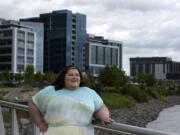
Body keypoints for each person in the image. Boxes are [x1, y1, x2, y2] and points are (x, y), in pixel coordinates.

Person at [29, 65, 114, 135]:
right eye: (71, 75)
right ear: (63, 77)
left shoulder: (89, 92)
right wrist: (40, 123)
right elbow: (33, 103)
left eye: (77, 75)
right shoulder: (50, 90)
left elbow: (100, 107)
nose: (74, 77)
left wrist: (104, 116)